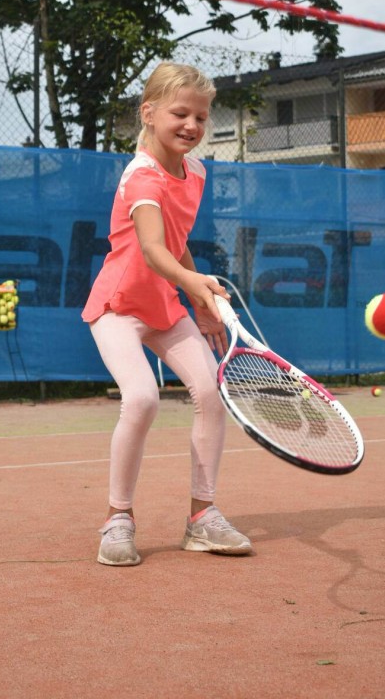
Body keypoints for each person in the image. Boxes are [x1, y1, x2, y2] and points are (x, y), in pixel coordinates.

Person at [82, 62, 252, 566]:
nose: (192, 126)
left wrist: (200, 304)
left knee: (210, 392)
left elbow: (177, 248)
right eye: (181, 113)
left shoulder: (195, 171)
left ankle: (202, 518)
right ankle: (117, 519)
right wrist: (195, 285)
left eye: (201, 117)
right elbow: (153, 250)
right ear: (149, 113)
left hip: (165, 306)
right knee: (141, 399)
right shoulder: (140, 176)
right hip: (117, 308)